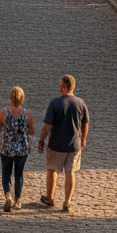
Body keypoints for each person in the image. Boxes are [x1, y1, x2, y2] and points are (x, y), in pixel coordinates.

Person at [37, 75, 90, 214]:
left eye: (60, 84)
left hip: (56, 144)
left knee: (52, 170)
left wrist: (41, 139)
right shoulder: (81, 103)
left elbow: (48, 125)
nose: (59, 86)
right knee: (70, 172)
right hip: (74, 145)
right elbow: (85, 124)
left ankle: (50, 198)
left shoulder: (55, 103)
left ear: (64, 87)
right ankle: (67, 202)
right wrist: (83, 139)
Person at [0, 86, 34, 211]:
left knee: (6, 173)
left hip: (6, 148)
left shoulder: (3, 113)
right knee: (19, 174)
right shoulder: (28, 114)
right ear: (22, 98)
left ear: (10, 97)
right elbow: (32, 131)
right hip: (22, 149)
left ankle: (8, 196)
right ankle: (18, 201)